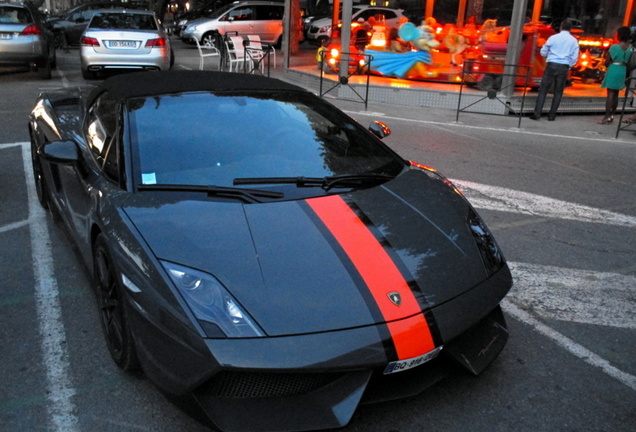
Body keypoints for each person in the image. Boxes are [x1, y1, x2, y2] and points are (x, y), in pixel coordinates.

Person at [530, 19, 579, 121]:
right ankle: (552, 115)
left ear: (561, 27)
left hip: (552, 64)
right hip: (563, 66)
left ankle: (537, 113)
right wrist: (569, 65)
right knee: (558, 91)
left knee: (543, 89)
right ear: (570, 29)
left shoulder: (553, 38)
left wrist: (547, 56)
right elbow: (575, 56)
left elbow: (544, 50)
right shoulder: (573, 41)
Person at [598, 26, 634, 124]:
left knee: (610, 94)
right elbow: (630, 63)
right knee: (616, 94)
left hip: (614, 68)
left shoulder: (614, 47)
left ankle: (606, 116)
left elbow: (607, 61)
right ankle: (612, 115)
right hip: (623, 70)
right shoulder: (630, 48)